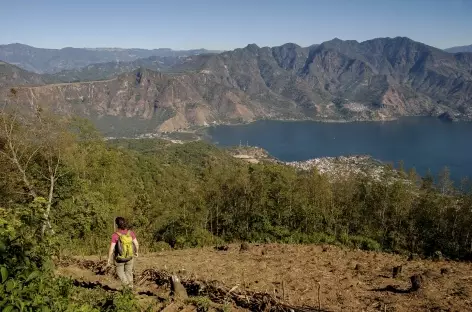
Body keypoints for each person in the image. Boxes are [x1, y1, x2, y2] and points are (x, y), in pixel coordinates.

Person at [107, 217, 139, 288]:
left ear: (117, 224)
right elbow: (136, 244)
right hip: (130, 257)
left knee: (120, 273)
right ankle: (130, 288)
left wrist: (109, 258)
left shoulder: (115, 235)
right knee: (129, 273)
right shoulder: (130, 233)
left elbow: (112, 248)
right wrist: (136, 252)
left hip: (119, 258)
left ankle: (127, 286)